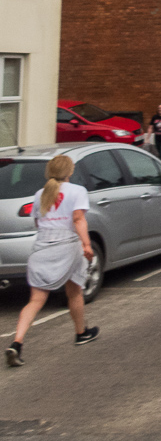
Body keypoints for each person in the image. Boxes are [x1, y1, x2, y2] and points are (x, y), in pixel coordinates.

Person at [6, 156, 99, 367]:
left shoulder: (40, 194)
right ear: (70, 171)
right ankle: (81, 333)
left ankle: (17, 343)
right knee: (74, 290)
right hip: (68, 246)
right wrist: (86, 245)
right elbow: (78, 219)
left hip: (41, 248)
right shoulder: (77, 191)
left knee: (35, 301)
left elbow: (39, 223)